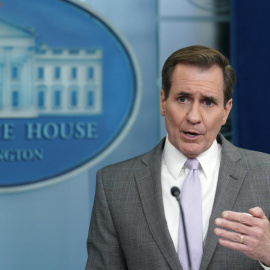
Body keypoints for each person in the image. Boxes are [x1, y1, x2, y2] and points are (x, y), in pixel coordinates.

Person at [85, 45, 270, 270]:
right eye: (183, 99)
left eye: (208, 102)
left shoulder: (266, 174)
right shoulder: (114, 184)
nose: (193, 116)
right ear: (163, 101)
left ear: (226, 111)